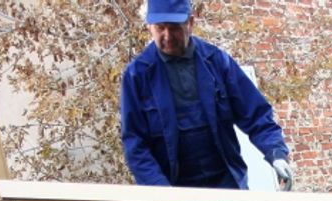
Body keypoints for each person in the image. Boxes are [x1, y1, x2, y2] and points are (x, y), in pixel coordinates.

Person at [120, 0, 293, 190]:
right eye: (160, 28)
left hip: (226, 183)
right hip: (172, 187)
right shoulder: (137, 76)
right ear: (149, 27)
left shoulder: (217, 62)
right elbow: (135, 143)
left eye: (175, 28)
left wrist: (276, 154)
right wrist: (160, 191)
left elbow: (256, 115)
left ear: (190, 23)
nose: (167, 36)